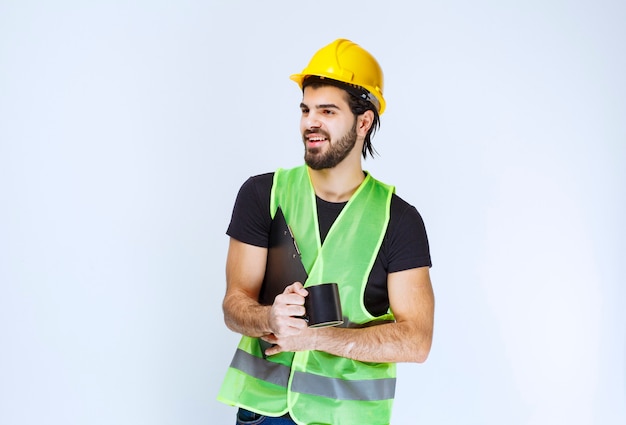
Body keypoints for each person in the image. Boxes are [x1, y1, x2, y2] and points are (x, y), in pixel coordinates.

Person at [217, 38, 435, 425]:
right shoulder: (263, 194)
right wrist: (269, 318)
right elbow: (235, 304)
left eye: (327, 111)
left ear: (363, 121)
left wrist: (316, 339)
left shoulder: (398, 220)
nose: (310, 122)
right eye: (305, 110)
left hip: (348, 418)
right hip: (265, 414)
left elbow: (416, 340)